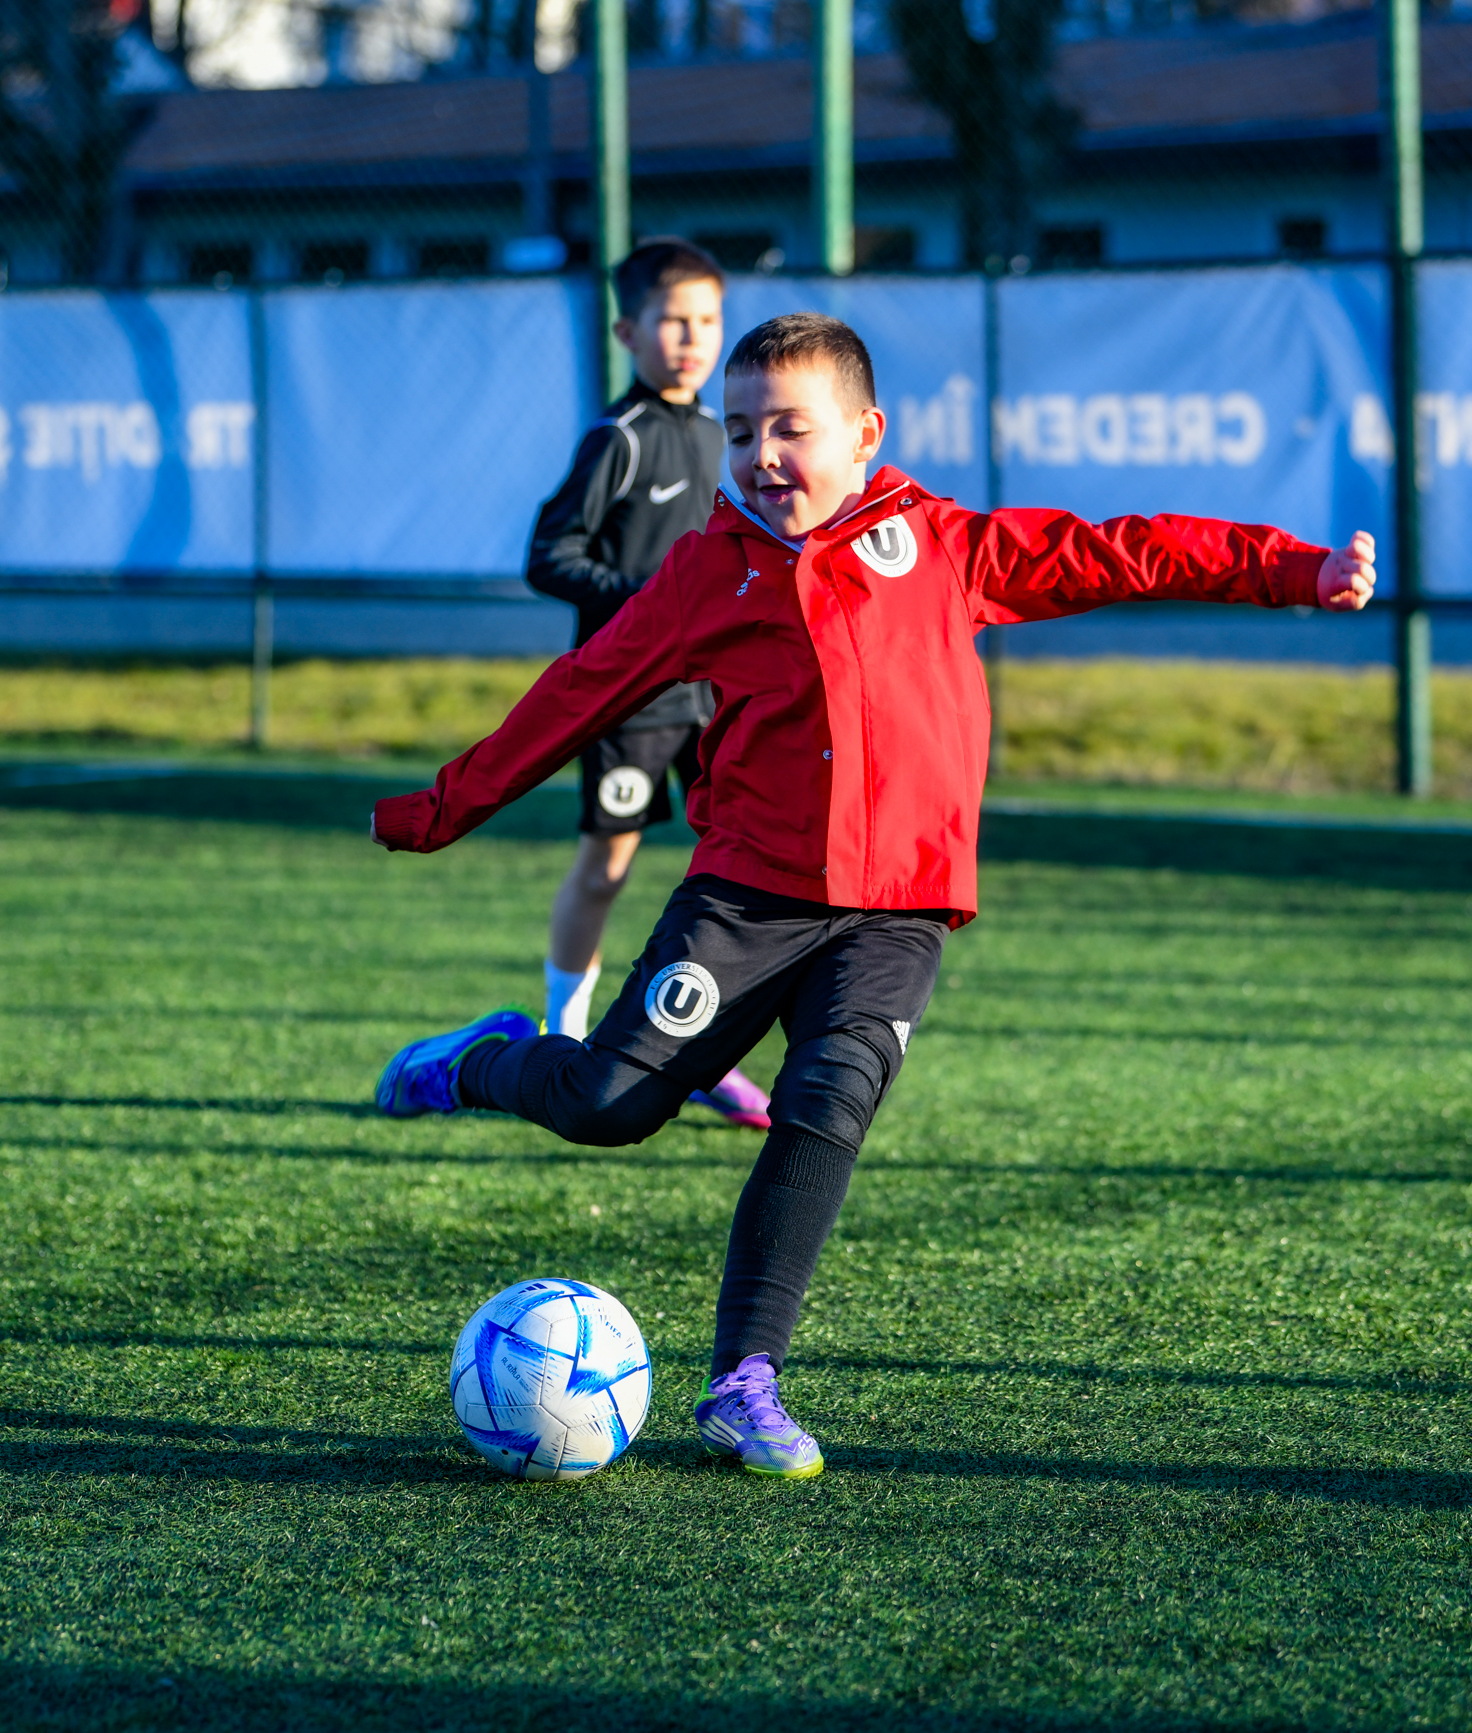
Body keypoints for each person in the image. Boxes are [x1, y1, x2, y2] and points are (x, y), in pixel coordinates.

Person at [374, 312, 1377, 1479]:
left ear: (864, 433)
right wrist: (442, 806)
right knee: (608, 1102)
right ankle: (481, 1058)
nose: (760, 455)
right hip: (745, 892)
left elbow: (1121, 549)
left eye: (789, 428)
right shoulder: (706, 568)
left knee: (825, 1101)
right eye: (742, 431)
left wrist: (1293, 570)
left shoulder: (939, 542)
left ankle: (744, 1378)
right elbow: (580, 688)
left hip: (898, 905)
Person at [523, 235, 771, 1131]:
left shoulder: (726, 435)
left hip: (716, 700)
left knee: (739, 874)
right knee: (608, 867)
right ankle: (563, 1038)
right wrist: (646, 604)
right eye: (672, 319)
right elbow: (549, 557)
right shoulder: (617, 442)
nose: (692, 337)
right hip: (628, 704)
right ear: (629, 329)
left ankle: (703, 1051)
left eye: (707, 320)